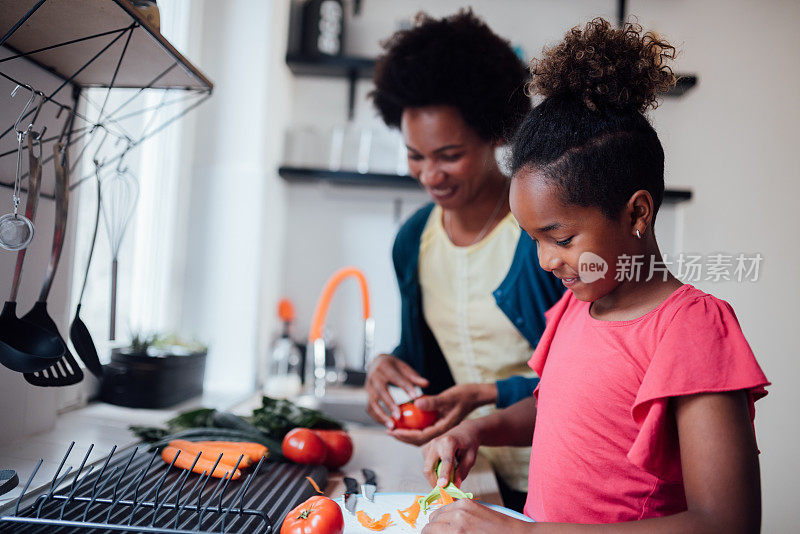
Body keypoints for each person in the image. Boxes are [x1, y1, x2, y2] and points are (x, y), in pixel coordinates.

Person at [421, 18, 769, 531]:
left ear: (636, 214)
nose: (545, 260)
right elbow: (562, 415)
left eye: (561, 239)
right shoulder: (577, 305)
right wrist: (480, 431)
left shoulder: (691, 330)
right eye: (533, 239)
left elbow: (726, 522)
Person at [366, 9, 564, 510]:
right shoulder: (414, 240)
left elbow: (589, 377)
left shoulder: (540, 237)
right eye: (416, 154)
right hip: (471, 473)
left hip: (559, 472)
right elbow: (429, 359)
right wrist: (389, 367)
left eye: (449, 154)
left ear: (495, 134)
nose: (430, 175)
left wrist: (486, 401)